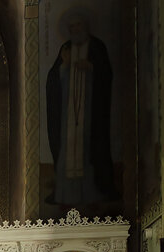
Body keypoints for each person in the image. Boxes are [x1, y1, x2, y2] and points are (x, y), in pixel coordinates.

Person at [46, 13, 118, 207]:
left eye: (77, 26)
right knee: (68, 152)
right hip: (68, 113)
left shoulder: (96, 47)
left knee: (91, 149)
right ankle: (65, 195)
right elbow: (52, 79)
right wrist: (64, 66)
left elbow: (106, 74)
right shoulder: (66, 49)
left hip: (90, 112)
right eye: (71, 28)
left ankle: (95, 192)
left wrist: (91, 67)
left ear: (85, 26)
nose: (74, 31)